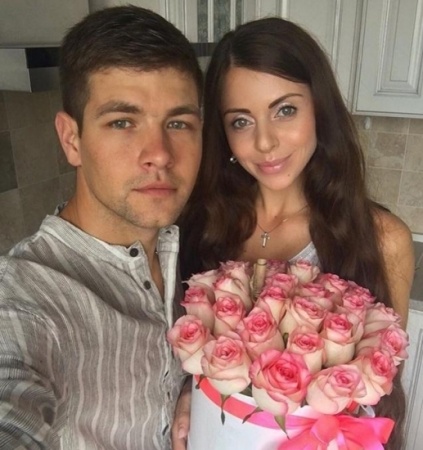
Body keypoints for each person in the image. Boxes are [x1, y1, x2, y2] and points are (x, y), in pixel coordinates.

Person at [178, 17, 415, 449]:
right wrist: (186, 398)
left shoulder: (383, 239)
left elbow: (380, 396)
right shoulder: (201, 224)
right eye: (241, 121)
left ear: (319, 109)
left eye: (285, 110)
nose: (265, 142)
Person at [0, 5, 202, 450]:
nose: (160, 153)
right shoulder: (26, 297)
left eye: (178, 123)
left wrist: (193, 391)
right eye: (122, 122)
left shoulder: (189, 251)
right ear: (71, 139)